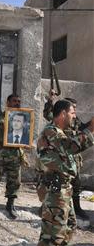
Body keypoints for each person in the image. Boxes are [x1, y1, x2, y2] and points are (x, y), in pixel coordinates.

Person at [36, 100, 94, 246]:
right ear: (63, 114)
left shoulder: (61, 132)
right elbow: (70, 146)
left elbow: (72, 141)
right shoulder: (51, 131)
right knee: (55, 235)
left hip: (64, 189)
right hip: (55, 191)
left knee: (69, 226)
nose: (75, 116)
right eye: (72, 113)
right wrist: (91, 128)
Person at [42, 92, 90, 220]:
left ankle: (76, 208)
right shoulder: (54, 127)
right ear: (64, 112)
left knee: (76, 184)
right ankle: (49, 209)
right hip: (62, 155)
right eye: (72, 109)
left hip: (74, 157)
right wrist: (50, 101)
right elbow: (48, 114)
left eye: (75, 109)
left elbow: (84, 128)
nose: (75, 112)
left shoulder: (75, 120)